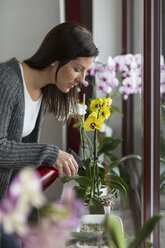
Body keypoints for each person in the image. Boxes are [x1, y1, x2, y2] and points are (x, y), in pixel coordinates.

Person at [0, 21, 99, 247]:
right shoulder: (7, 81)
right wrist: (50, 153)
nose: (82, 80)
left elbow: (21, 159)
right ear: (56, 60)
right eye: (77, 69)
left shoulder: (42, 92)